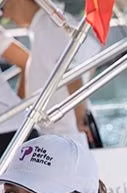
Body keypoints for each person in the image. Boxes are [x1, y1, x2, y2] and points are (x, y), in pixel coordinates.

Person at [0, 0, 101, 144]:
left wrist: (81, 120)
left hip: (68, 133)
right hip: (56, 132)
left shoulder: (52, 27)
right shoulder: (45, 28)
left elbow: (71, 72)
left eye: (4, 7)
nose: (5, 15)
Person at [0, 28, 38, 151]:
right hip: (18, 126)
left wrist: (20, 105)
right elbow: (26, 61)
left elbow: (26, 61)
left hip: (15, 129)